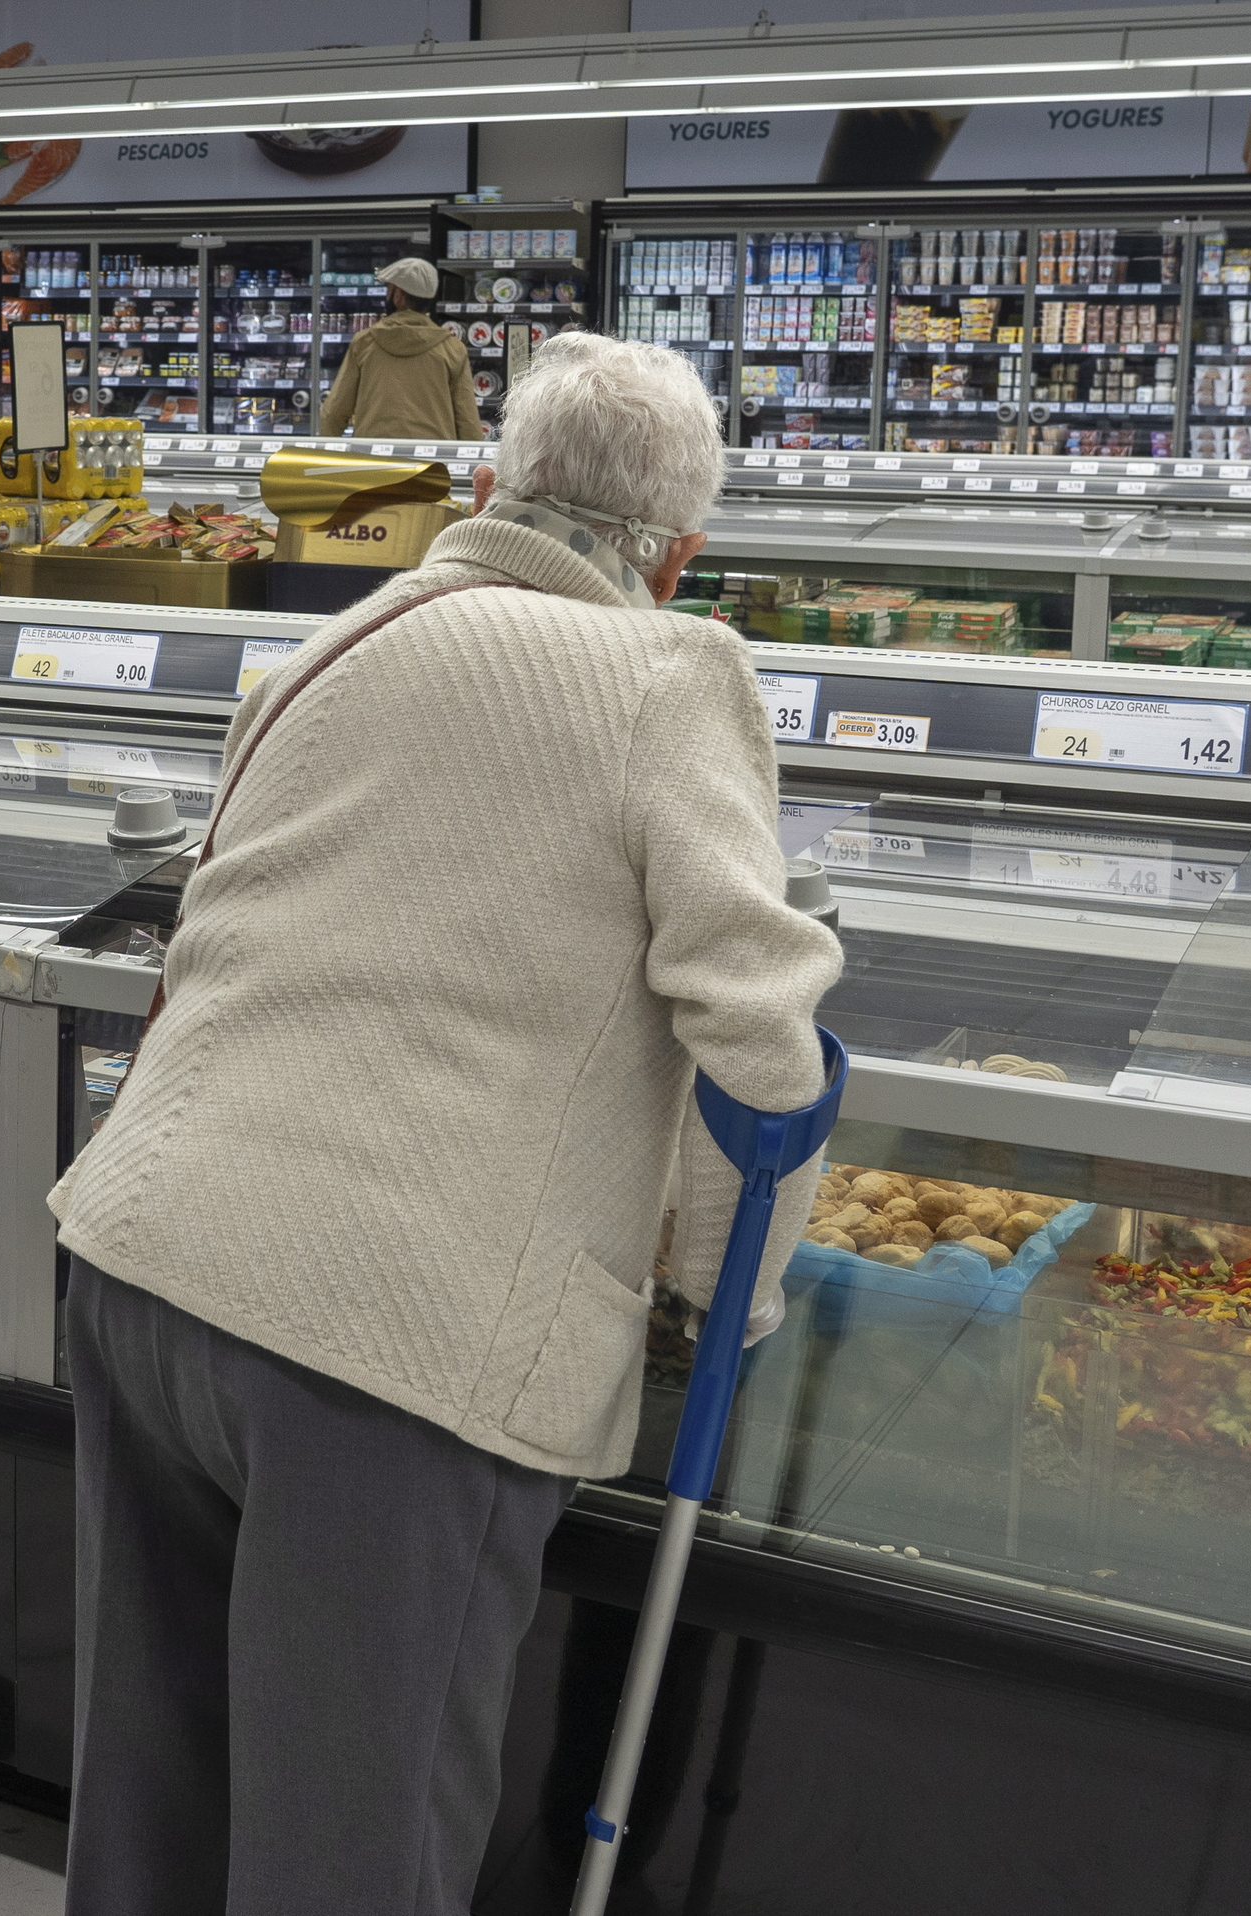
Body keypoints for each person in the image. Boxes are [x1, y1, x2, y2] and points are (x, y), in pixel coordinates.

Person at [49, 331, 840, 1916]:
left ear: (487, 487)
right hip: (386, 1340)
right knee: (352, 1851)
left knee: (152, 1804)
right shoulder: (671, 673)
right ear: (677, 557)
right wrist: (721, 1306)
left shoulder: (335, 645)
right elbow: (762, 1045)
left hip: (141, 1262)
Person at [320, 256, 480, 442]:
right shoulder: (453, 349)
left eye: (389, 288)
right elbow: (467, 420)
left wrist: (324, 449)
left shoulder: (364, 343)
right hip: (433, 455)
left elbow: (335, 411)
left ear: (398, 296)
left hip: (373, 454)